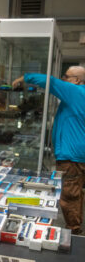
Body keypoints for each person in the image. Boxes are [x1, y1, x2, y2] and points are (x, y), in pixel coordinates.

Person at [13, 66, 85, 234]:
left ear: (77, 80)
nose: (64, 79)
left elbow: (50, 82)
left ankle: (73, 232)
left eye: (66, 76)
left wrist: (24, 77)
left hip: (71, 156)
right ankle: (76, 225)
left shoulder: (75, 91)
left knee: (69, 195)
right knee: (76, 191)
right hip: (77, 153)